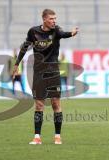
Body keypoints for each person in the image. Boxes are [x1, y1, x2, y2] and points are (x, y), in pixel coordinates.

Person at [12, 9, 78, 144]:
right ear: (44, 19)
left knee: (56, 103)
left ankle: (57, 136)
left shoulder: (56, 31)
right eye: (52, 19)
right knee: (39, 105)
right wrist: (16, 64)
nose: (54, 21)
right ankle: (37, 137)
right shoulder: (33, 32)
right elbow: (25, 47)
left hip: (53, 72)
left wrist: (71, 33)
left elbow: (63, 34)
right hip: (39, 73)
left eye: (55, 18)